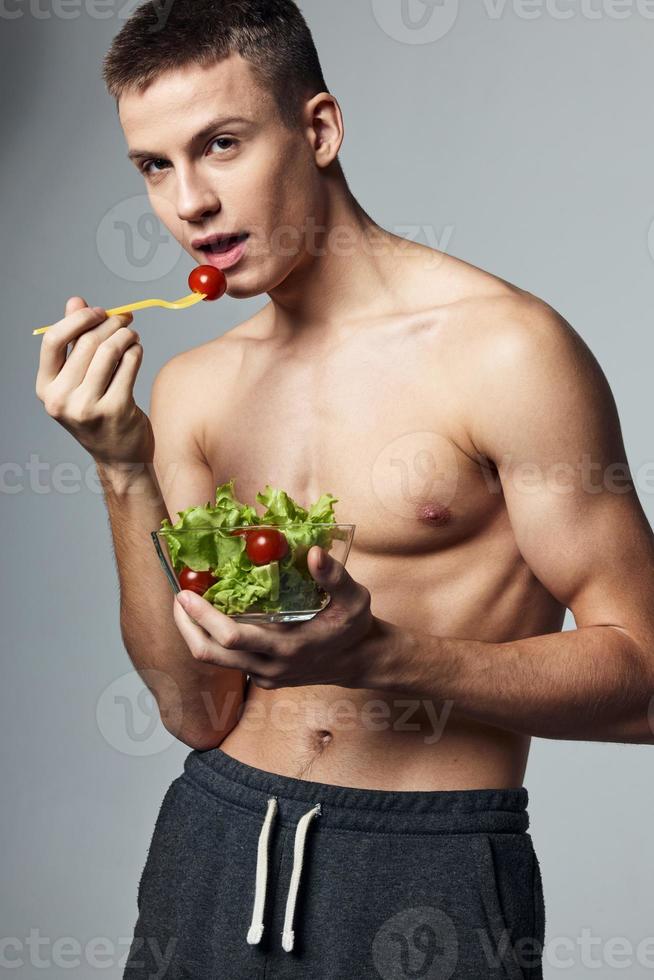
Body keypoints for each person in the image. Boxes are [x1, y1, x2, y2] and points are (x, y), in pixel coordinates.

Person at [34, 0, 654, 977]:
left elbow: (649, 676)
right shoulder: (195, 392)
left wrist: (384, 656)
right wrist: (121, 464)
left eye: (221, 144)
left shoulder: (506, 351)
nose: (188, 200)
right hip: (216, 836)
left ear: (317, 128)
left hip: (428, 863)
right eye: (155, 166)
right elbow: (196, 708)